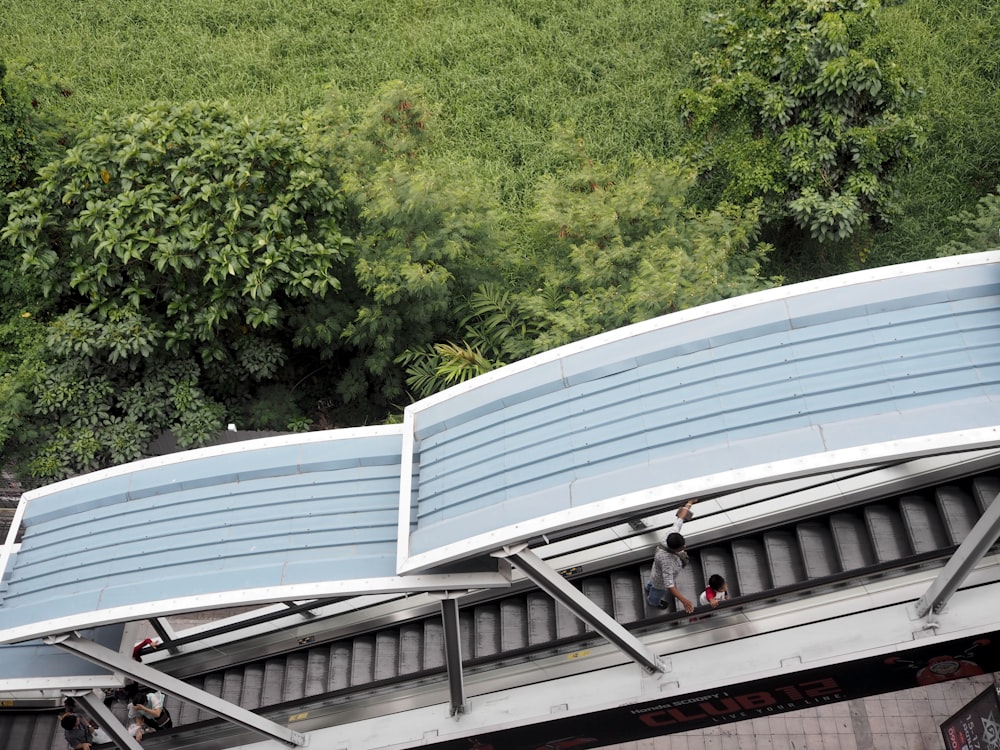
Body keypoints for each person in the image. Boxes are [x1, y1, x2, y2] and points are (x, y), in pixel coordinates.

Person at [646, 499, 697, 613]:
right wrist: (684, 601)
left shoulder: (670, 535)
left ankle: (648, 588)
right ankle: (652, 602)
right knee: (656, 592)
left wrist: (689, 504)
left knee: (651, 583)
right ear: (675, 549)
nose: (684, 547)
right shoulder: (667, 561)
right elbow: (669, 585)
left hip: (655, 573)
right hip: (660, 583)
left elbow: (680, 518)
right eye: (682, 547)